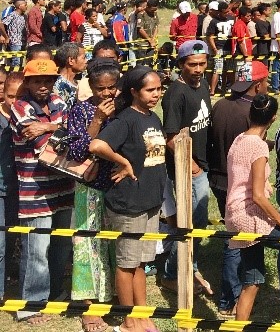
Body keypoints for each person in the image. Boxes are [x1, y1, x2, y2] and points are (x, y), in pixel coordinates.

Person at [89, 66, 167, 332]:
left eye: (158, 89)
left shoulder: (153, 118)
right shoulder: (126, 120)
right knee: (126, 264)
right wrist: (123, 162)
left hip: (150, 202)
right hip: (128, 204)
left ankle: (142, 314)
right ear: (134, 91)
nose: (156, 94)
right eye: (150, 90)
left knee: (142, 263)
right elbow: (97, 145)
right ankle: (127, 319)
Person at [11, 58, 75, 324]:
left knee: (61, 244)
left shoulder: (59, 102)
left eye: (48, 80)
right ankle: (31, 305)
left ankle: (56, 293)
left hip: (64, 186)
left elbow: (74, 131)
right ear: (27, 82)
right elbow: (42, 143)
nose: (43, 86)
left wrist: (50, 126)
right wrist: (60, 131)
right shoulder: (19, 107)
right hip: (34, 190)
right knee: (37, 249)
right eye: (38, 81)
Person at [225, 94, 280, 322]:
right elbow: (257, 195)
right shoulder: (258, 147)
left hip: (233, 214)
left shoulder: (240, 139)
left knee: (253, 279)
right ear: (274, 118)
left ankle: (239, 326)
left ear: (250, 114)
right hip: (250, 217)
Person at [207, 60, 269, 318]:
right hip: (240, 185)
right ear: (257, 86)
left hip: (219, 179)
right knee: (238, 243)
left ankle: (228, 298)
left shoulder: (220, 105)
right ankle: (230, 297)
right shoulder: (250, 116)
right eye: (265, 82)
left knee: (233, 236)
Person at [66, 57, 121, 332]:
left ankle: (113, 297)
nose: (107, 93)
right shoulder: (80, 111)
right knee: (88, 244)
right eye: (101, 88)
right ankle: (89, 305)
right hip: (90, 187)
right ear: (91, 86)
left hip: (118, 187)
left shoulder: (124, 109)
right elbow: (76, 151)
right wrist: (98, 119)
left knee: (114, 244)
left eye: (112, 87)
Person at [160, 39, 214, 296]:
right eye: (192, 64)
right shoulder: (175, 94)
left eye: (202, 63)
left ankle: (187, 265)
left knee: (197, 221)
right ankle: (173, 273)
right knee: (190, 223)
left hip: (202, 162)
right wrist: (192, 166)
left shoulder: (202, 84)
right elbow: (170, 138)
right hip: (185, 169)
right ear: (181, 64)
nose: (198, 69)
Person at [0, 71, 19, 302]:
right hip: (1, 190)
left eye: (19, 96)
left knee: (14, 240)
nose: (15, 102)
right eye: (11, 96)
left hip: (21, 189)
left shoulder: (28, 118)